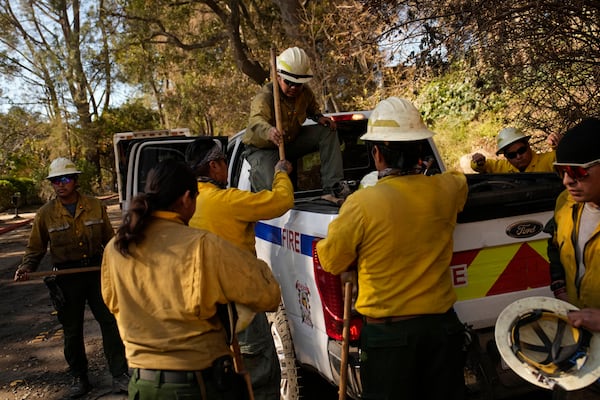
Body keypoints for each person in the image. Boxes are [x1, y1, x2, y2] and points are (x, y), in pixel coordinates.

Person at [316, 97, 468, 400]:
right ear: (420, 151)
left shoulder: (362, 204)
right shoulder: (447, 190)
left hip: (390, 340)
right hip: (442, 331)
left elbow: (332, 260)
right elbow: (459, 178)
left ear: (376, 154)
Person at [101, 159, 282, 400]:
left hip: (141, 386)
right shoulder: (203, 246)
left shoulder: (116, 248)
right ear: (187, 198)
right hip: (196, 386)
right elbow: (268, 295)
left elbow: (113, 303)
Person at [185, 138, 293, 400]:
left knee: (222, 375)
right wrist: (280, 174)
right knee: (258, 372)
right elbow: (282, 201)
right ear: (214, 166)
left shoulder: (185, 203)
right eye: (223, 162)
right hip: (240, 304)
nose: (224, 168)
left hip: (202, 305)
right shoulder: (228, 201)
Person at [13, 157, 129, 399]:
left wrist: (124, 260)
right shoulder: (45, 214)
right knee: (72, 330)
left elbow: (109, 240)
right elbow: (35, 248)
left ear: (75, 181)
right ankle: (80, 377)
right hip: (66, 278)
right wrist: (26, 267)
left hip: (96, 273)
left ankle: (120, 374)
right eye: (55, 181)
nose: (60, 185)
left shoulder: (95, 206)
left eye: (65, 179)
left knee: (109, 322)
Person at [243, 46, 346, 201]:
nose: (294, 87)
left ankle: (332, 190)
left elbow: (311, 108)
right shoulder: (265, 96)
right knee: (270, 190)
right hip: (264, 149)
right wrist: (270, 131)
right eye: (289, 82)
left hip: (291, 143)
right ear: (278, 77)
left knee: (327, 130)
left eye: (298, 84)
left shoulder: (305, 93)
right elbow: (256, 122)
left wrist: (318, 117)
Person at [471, 127, 561, 173]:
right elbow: (483, 166)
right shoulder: (503, 167)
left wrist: (560, 146)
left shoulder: (548, 160)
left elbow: (564, 157)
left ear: (528, 146)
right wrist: (477, 161)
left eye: (521, 150)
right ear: (506, 156)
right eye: (512, 155)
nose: (518, 157)